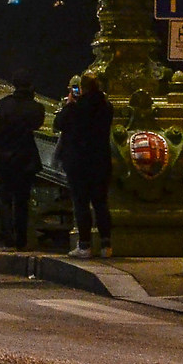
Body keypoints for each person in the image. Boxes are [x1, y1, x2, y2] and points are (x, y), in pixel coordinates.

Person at [53, 72, 116, 259]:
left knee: (81, 204)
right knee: (101, 203)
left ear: (81, 88)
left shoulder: (75, 108)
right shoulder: (107, 108)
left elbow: (58, 124)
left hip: (79, 162)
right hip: (101, 161)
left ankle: (85, 246)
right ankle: (106, 246)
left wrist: (70, 103)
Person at [0, 72, 44, 251]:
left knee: (5, 200)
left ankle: (7, 238)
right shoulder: (36, 108)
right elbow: (37, 125)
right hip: (26, 160)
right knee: (22, 201)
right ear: (31, 87)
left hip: (5, 158)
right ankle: (21, 240)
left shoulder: (2, 104)